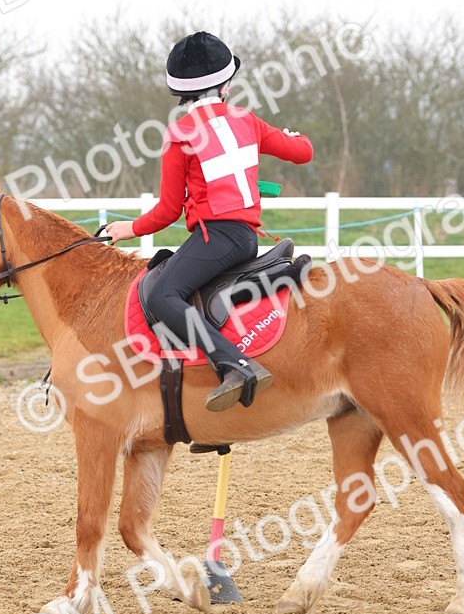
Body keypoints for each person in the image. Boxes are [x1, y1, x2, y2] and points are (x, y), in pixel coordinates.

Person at [106, 31, 313, 412]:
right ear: (226, 85)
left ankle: (235, 366)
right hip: (246, 238)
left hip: (214, 240)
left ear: (179, 91)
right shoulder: (248, 121)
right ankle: (271, 282)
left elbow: (168, 211)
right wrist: (292, 136)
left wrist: (127, 228)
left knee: (161, 296)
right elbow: (303, 153)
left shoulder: (179, 135)